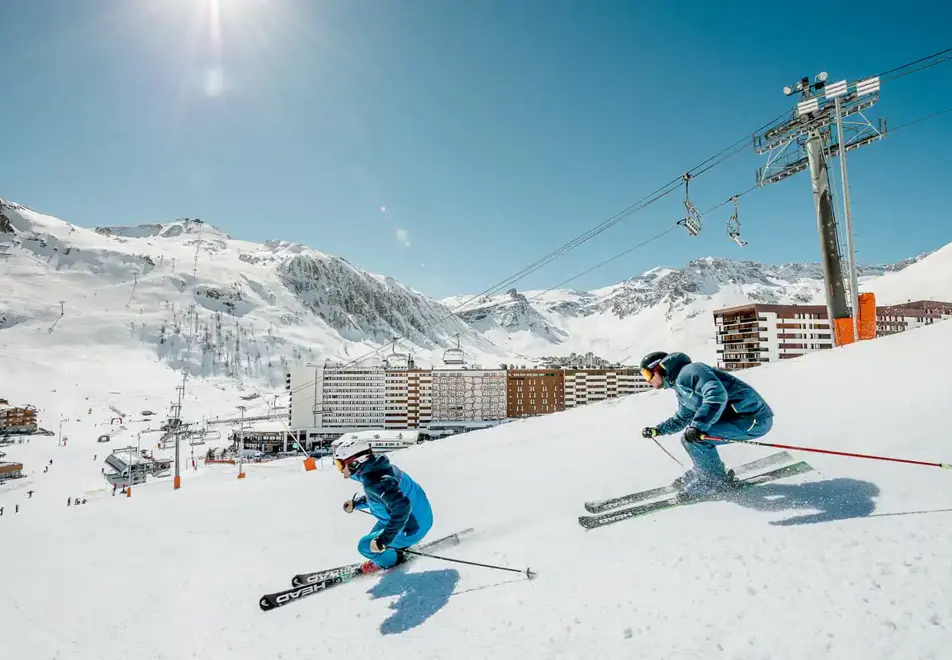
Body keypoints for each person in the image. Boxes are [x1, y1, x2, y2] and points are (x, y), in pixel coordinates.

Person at [639, 351, 774, 496]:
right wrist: (658, 430)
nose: (648, 380)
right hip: (739, 419)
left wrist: (698, 426)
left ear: (659, 368)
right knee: (691, 439)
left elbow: (716, 394)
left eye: (648, 374)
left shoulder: (691, 371)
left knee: (693, 440)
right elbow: (682, 418)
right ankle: (703, 472)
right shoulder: (680, 387)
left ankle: (714, 480)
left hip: (752, 417)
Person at [335, 437, 433, 575]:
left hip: (412, 527)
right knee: (373, 540)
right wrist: (357, 504)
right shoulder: (378, 467)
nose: (339, 469)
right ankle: (392, 549)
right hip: (420, 516)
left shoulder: (377, 482)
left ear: (355, 462)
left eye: (340, 464)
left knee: (365, 546)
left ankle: (394, 561)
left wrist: (384, 540)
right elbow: (385, 497)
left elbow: (402, 507)